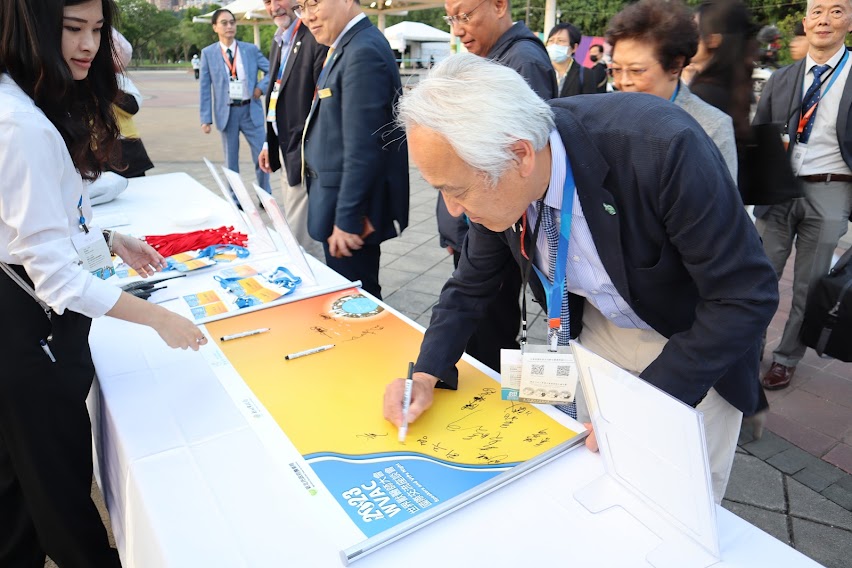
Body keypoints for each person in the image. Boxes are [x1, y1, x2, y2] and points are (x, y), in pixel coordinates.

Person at [383, 54, 779, 503]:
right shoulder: (494, 168)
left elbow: (744, 294)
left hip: (693, 333)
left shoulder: (661, 146)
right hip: (600, 325)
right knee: (591, 470)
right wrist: (426, 373)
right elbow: (470, 284)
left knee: (677, 499)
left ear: (520, 155)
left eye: (456, 191)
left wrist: (644, 405)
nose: (452, 210)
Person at [0, 0, 207, 565]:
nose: (89, 45)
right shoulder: (20, 123)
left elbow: (44, 221)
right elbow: (55, 277)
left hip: (24, 317)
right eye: (73, 29)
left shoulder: (27, 102)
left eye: (97, 29)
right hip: (30, 329)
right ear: (33, 27)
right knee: (60, 492)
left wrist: (110, 240)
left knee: (19, 486)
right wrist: (157, 318)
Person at [436, 0, 557, 372]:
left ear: (500, 5)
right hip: (481, 226)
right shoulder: (488, 60)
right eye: (451, 18)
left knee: (490, 332)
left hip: (503, 230)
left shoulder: (523, 62)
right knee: (472, 321)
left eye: (465, 15)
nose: (458, 28)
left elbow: (526, 167)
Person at [753, 0, 852, 390]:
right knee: (760, 276)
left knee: (809, 284)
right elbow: (761, 131)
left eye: (836, 11)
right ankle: (748, 347)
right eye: (817, 11)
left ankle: (786, 357)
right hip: (779, 188)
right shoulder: (782, 78)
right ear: (806, 22)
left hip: (831, 187)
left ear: (849, 21)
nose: (824, 19)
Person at [297, 0, 409, 299]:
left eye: (312, 3)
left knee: (357, 300)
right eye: (300, 7)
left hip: (350, 215)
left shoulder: (362, 50)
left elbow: (364, 146)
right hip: (337, 206)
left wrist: (347, 220)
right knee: (351, 297)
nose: (307, 16)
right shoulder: (348, 44)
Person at [606, 0, 738, 181]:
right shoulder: (605, 115)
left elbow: (719, 197)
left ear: (675, 66)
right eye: (616, 69)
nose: (623, 82)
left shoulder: (710, 127)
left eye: (636, 71)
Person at [258, 0, 327, 259]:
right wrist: (269, 142)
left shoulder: (313, 36)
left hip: (304, 151)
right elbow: (276, 94)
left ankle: (313, 276)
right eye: (267, 1)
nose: (274, 6)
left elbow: (320, 102)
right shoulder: (279, 39)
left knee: (300, 239)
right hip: (284, 147)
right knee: (294, 227)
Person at [199, 9, 271, 195]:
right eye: (224, 23)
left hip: (251, 110)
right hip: (227, 114)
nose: (229, 26)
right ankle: (236, 199)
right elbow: (205, 87)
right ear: (215, 27)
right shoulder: (208, 53)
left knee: (262, 155)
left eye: (232, 22)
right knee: (231, 161)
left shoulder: (250, 50)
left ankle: (265, 195)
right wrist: (206, 119)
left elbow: (272, 70)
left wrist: (260, 88)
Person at [108, 28, 154, 178]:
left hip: (126, 148)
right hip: (94, 150)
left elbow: (132, 106)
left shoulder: (120, 81)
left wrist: (105, 86)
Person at [546, 22, 593, 97]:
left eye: (560, 41)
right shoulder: (540, 71)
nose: (554, 45)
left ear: (574, 47)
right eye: (551, 40)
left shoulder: (586, 74)